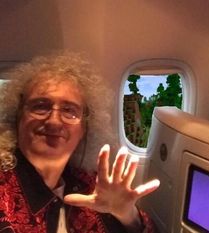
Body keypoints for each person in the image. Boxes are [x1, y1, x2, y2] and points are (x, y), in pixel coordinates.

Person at [0, 52, 160, 233]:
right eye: (40, 106)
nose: (54, 121)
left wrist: (127, 215)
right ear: (18, 116)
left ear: (84, 128)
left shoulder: (88, 184)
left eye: (69, 111)